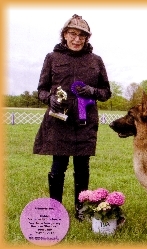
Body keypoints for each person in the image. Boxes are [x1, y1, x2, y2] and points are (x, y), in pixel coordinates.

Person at [33, 14, 112, 221]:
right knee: (58, 166)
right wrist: (49, 98)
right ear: (65, 35)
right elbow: (40, 90)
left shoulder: (96, 61)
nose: (77, 39)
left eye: (82, 36)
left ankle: (81, 208)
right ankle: (55, 208)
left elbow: (106, 92)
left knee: (82, 167)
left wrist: (91, 91)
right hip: (59, 121)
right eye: (73, 34)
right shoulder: (52, 58)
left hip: (85, 123)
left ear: (87, 38)